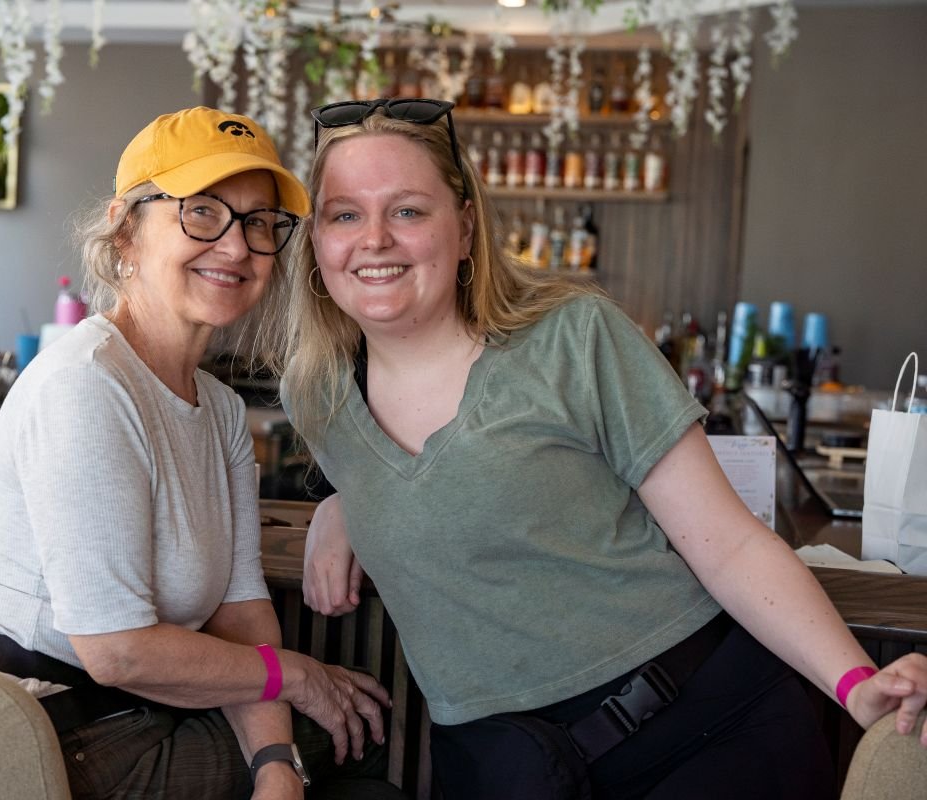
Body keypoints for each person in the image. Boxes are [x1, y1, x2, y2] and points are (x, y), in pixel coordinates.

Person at [277, 98, 927, 799]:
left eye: (407, 210)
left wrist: (856, 683)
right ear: (317, 241)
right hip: (509, 770)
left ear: (465, 229)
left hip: (703, 732)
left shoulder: (574, 336)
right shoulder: (316, 397)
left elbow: (729, 544)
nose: (374, 239)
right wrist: (340, 505)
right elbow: (415, 483)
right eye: (344, 214)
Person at [0, 107, 401, 800]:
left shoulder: (217, 408)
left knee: (347, 744)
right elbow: (117, 649)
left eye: (259, 223)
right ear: (126, 229)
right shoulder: (86, 387)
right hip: (38, 740)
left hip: (139, 716)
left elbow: (240, 606)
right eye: (202, 213)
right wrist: (295, 676)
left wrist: (275, 762)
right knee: (368, 751)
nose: (237, 246)